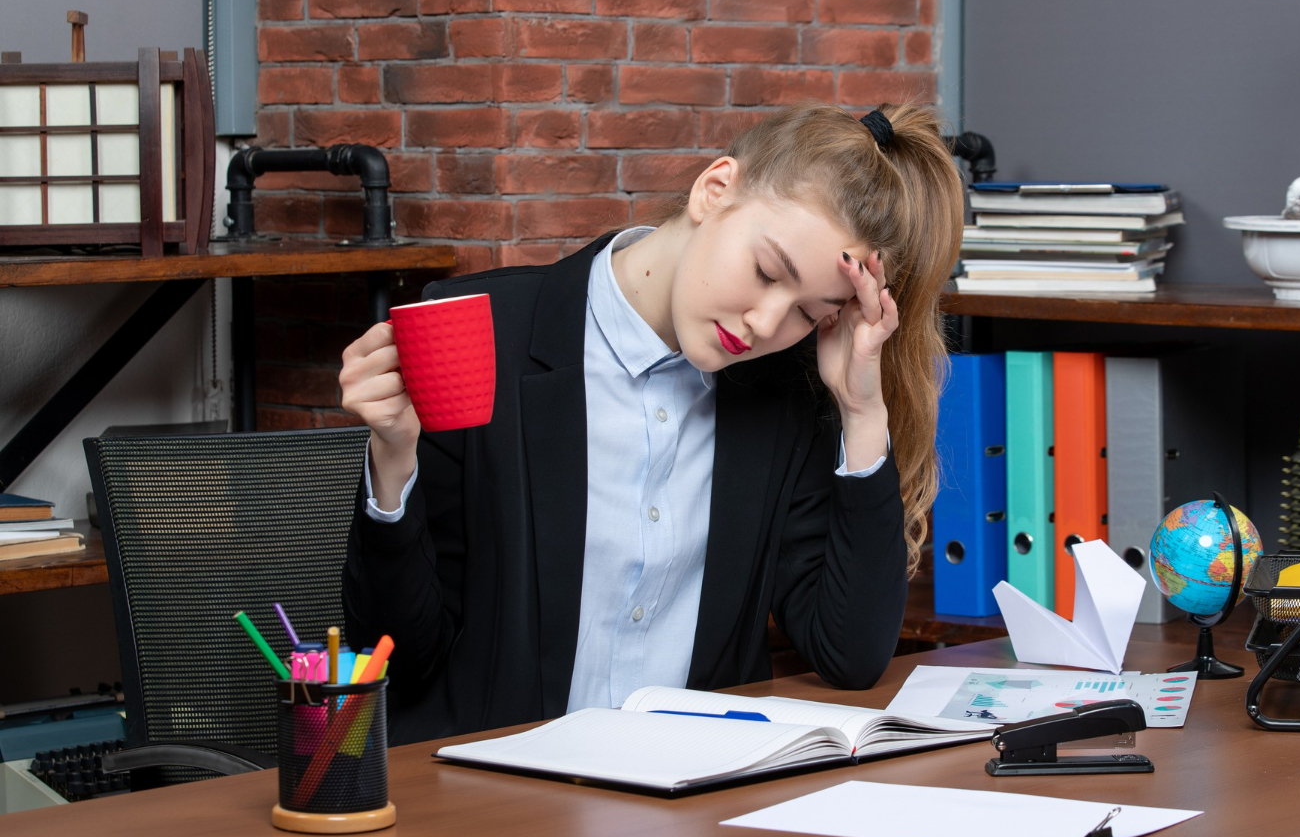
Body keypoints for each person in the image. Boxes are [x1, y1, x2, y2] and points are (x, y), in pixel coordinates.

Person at [339, 101, 966, 744]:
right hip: (495, 806)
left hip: (691, 800)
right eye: (765, 272)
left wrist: (862, 414)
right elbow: (397, 654)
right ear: (714, 189)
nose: (766, 324)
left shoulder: (784, 397)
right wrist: (393, 462)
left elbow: (850, 655)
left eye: (810, 312)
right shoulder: (483, 335)